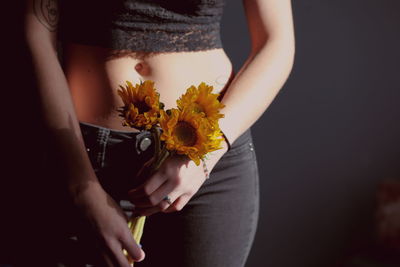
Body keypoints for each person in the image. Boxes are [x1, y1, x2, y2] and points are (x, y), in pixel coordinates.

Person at [22, 0, 295, 266]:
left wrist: (205, 154)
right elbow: (34, 34)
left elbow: (276, 42)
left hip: (204, 164)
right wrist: (82, 188)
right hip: (77, 155)